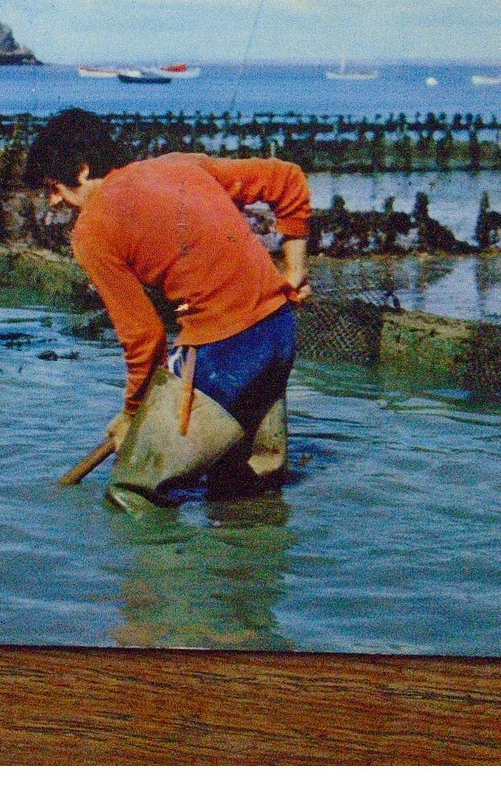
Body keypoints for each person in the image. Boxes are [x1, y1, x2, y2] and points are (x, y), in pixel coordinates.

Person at [24, 108, 311, 505]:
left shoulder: (90, 230)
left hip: (225, 351)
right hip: (279, 332)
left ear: (83, 169)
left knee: (133, 490)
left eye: (54, 187)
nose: (54, 201)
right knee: (243, 487)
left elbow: (144, 337)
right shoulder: (180, 165)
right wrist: (294, 271)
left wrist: (133, 414)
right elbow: (289, 179)